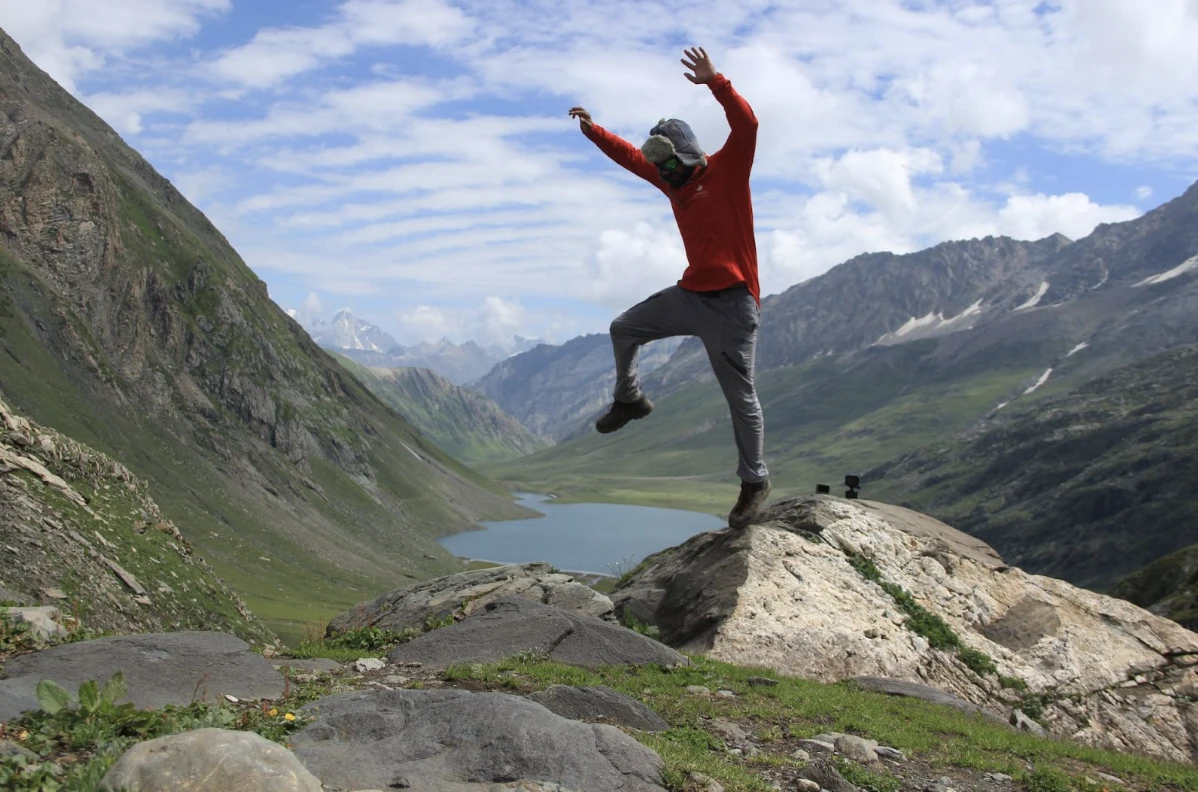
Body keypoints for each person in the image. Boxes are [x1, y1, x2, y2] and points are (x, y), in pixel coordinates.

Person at [569, 46, 770, 529]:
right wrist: (594, 130)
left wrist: (716, 82)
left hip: (733, 306)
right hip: (690, 296)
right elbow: (631, 158)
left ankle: (754, 481)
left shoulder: (727, 168)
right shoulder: (671, 182)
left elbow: (748, 126)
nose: (667, 176)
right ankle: (630, 399)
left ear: (689, 155)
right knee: (624, 327)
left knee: (740, 398)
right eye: (663, 171)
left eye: (672, 167)